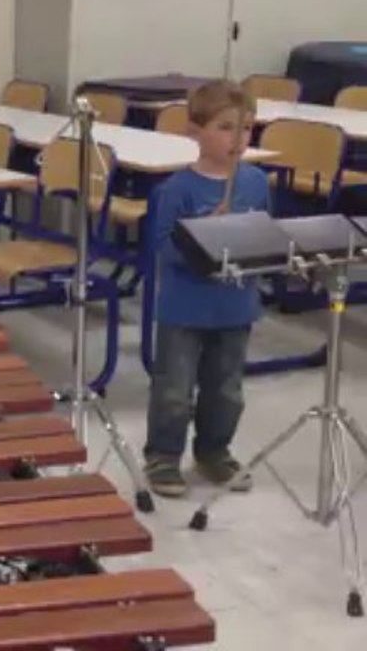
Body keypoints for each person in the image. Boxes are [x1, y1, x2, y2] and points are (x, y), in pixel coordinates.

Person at [144, 79, 270, 498]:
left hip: (235, 307)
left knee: (227, 389)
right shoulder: (178, 189)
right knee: (175, 389)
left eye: (247, 128)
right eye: (225, 127)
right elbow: (163, 246)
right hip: (185, 308)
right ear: (194, 130)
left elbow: (264, 236)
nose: (238, 138)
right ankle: (163, 455)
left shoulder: (256, 183)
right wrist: (204, 238)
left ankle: (215, 452)